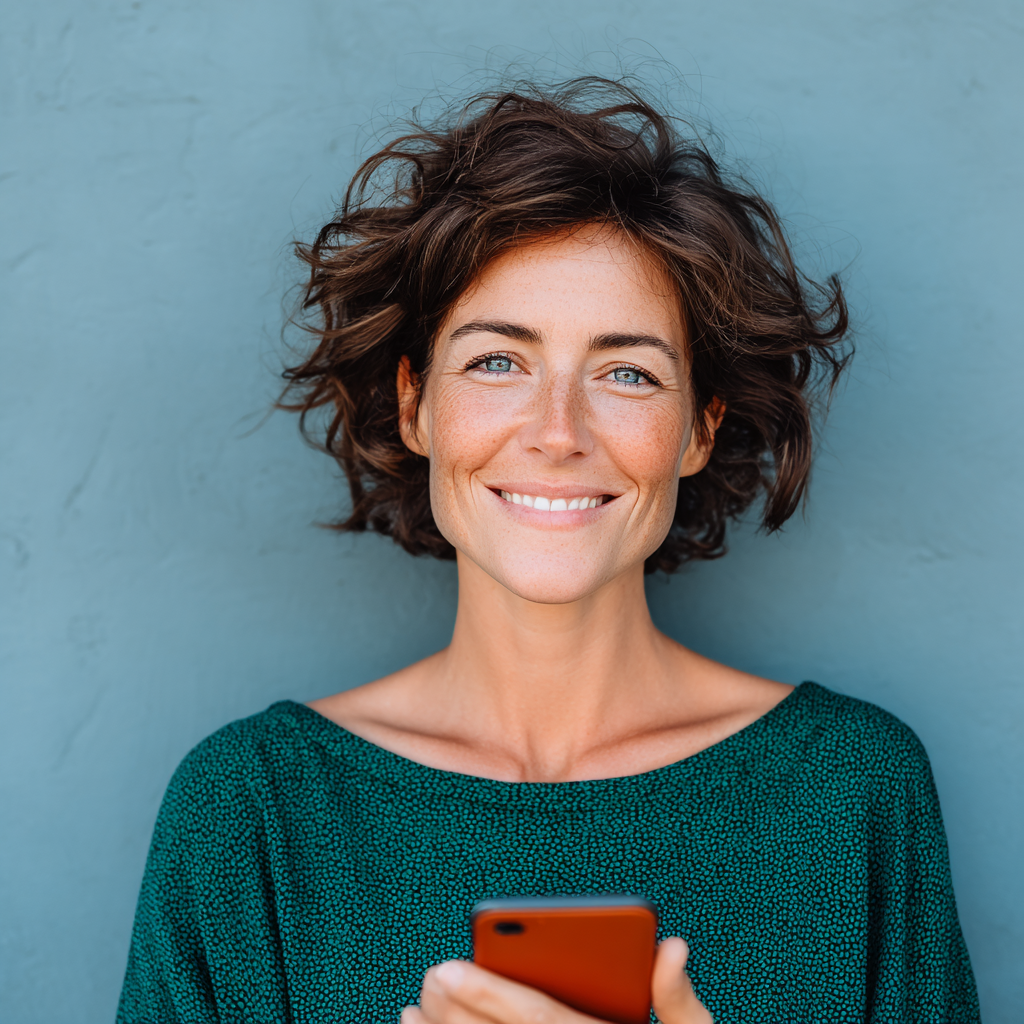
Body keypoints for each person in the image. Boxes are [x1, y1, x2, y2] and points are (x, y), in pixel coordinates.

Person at [117, 79, 980, 1024]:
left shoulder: (853, 791)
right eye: (498, 360)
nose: (559, 431)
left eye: (627, 372)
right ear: (415, 405)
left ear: (698, 429)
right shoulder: (250, 813)